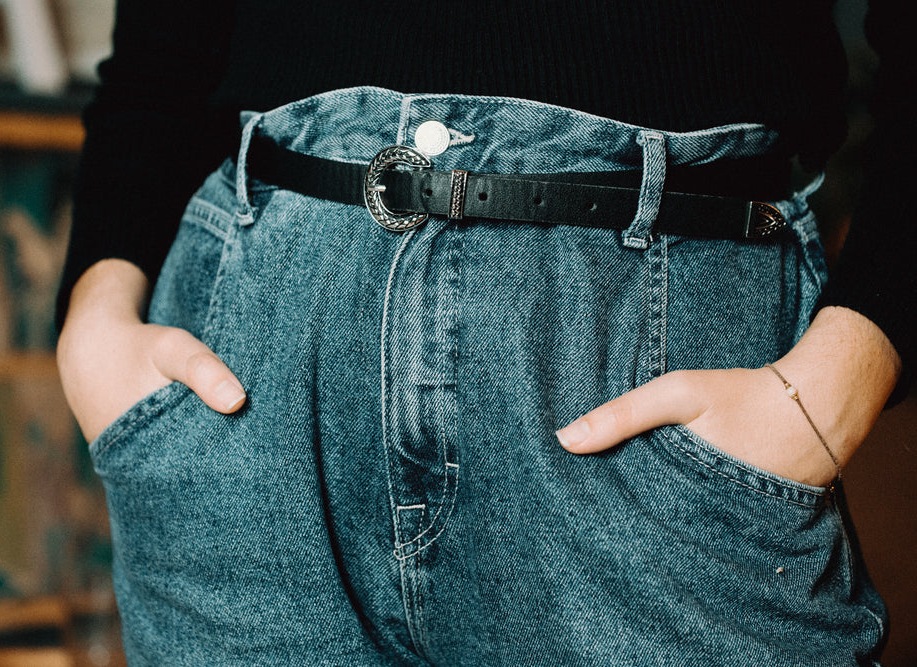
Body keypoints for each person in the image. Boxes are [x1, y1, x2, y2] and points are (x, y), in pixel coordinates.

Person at [56, 1, 913, 664]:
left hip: (645, 350)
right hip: (254, 370)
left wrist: (850, 367)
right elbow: (161, 52)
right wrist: (94, 308)